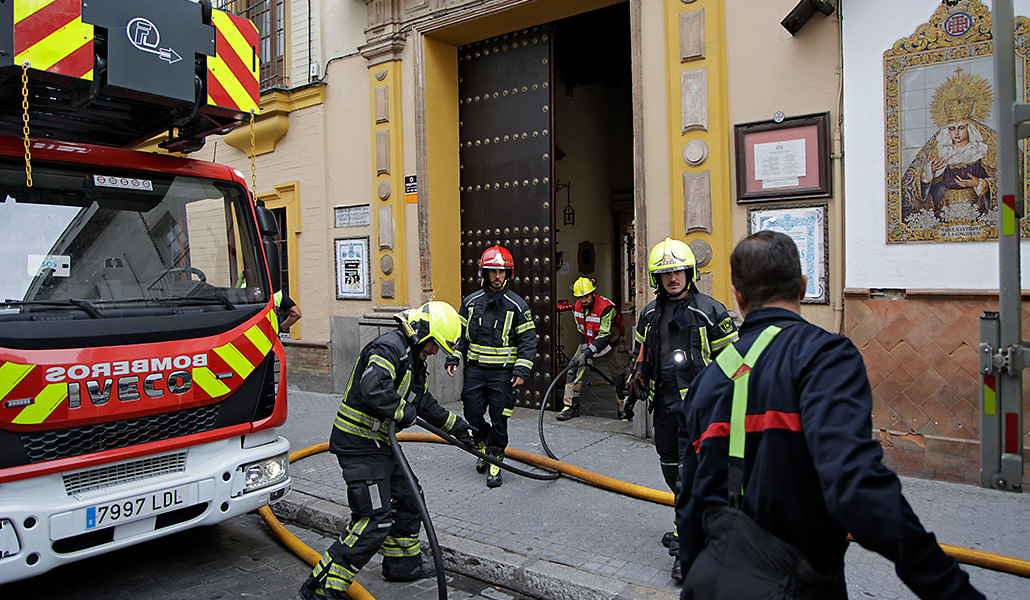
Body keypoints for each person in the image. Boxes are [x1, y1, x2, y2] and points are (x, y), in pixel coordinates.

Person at [675, 231, 984, 600]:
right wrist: (949, 587)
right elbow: (854, 485)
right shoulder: (824, 358)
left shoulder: (706, 382)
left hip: (707, 581)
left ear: (738, 296)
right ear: (803, 287)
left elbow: (688, 500)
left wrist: (697, 572)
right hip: (793, 587)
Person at [299, 301, 475, 600]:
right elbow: (373, 388)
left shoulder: (413, 356)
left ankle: (402, 564)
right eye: (435, 345)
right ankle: (322, 587)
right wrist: (401, 410)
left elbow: (422, 403)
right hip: (358, 444)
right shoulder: (388, 348)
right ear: (423, 332)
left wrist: (458, 428)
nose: (435, 352)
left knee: (409, 497)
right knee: (374, 520)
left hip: (378, 444)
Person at [628, 237, 738, 584]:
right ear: (656, 279)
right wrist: (634, 379)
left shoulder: (711, 310)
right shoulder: (649, 313)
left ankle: (687, 546)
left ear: (689, 272)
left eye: (678, 271)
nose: (672, 278)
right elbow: (640, 353)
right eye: (665, 273)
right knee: (672, 473)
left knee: (690, 478)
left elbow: (735, 362)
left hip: (701, 411)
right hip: (664, 408)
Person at [446, 245, 537, 488]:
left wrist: (521, 370)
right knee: (472, 414)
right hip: (475, 372)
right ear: (484, 273)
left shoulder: (517, 306)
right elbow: (460, 335)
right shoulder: (471, 302)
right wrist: (454, 357)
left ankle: (495, 458)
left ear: (509, 274)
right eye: (492, 271)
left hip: (503, 375)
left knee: (499, 418)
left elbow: (528, 341)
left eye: (501, 272)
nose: (497, 277)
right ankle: (483, 443)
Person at [557, 276, 632, 421]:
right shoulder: (577, 308)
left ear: (593, 294)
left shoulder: (606, 308)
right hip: (590, 342)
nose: (583, 300)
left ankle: (624, 412)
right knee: (573, 367)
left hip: (612, 344)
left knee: (618, 377)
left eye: (586, 296)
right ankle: (570, 407)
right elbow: (581, 330)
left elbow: (604, 335)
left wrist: (587, 353)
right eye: (580, 297)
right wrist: (585, 349)